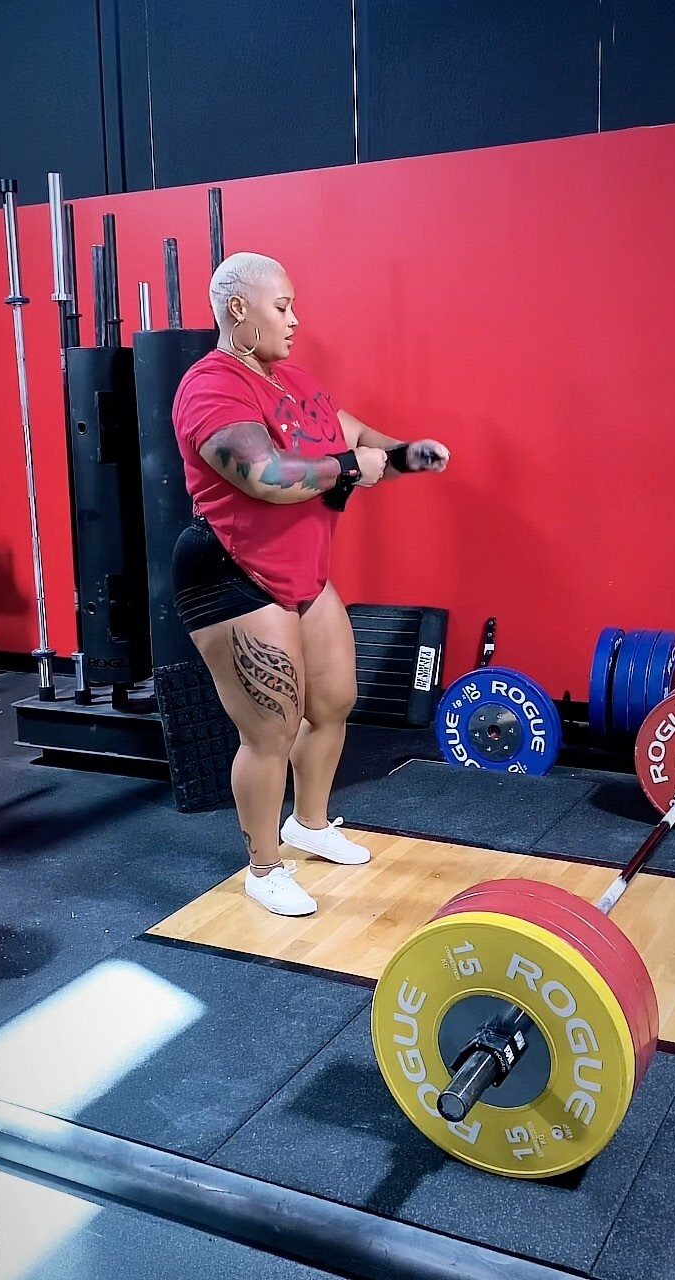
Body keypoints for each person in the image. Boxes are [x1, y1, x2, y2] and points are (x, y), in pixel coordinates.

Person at [171, 252, 450, 917]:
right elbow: (264, 475)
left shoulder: (292, 379)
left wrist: (407, 454)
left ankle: (310, 824)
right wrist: (350, 467)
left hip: (304, 571)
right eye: (282, 307)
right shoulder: (211, 385)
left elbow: (349, 435)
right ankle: (264, 867)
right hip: (231, 571)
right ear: (239, 308)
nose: (295, 320)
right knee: (270, 730)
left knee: (333, 701)